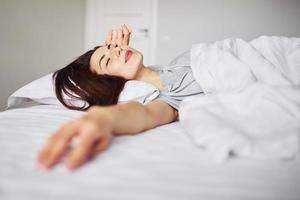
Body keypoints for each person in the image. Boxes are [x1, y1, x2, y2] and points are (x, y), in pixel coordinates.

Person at [37, 25, 203, 170]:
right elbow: (145, 114)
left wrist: (115, 54)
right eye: (107, 61)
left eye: (112, 47)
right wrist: (103, 118)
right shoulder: (170, 97)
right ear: (107, 83)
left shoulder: (175, 64)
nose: (117, 50)